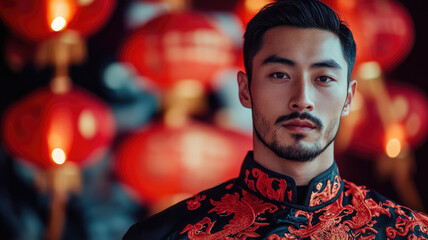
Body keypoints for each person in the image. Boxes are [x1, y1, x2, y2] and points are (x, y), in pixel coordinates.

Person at [123, 0, 428, 239]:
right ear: (245, 89)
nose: (303, 98)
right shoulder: (167, 234)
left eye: (323, 77)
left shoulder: (410, 232)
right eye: (280, 75)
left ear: (349, 97)